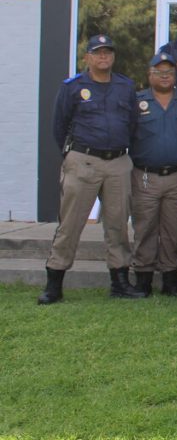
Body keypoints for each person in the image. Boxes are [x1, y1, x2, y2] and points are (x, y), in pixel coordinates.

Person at [39, 34, 144, 304]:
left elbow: (132, 123)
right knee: (71, 224)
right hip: (83, 161)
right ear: (87, 57)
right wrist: (71, 156)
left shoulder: (125, 86)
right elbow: (59, 126)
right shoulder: (73, 86)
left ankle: (120, 281)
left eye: (108, 52)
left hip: (118, 162)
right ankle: (54, 282)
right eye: (98, 53)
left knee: (118, 224)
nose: (103, 57)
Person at [128, 52, 177, 298]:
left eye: (169, 72)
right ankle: (143, 278)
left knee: (174, 228)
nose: (164, 76)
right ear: (149, 75)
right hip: (145, 174)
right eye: (158, 72)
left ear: (175, 75)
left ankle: (170, 278)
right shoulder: (136, 102)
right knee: (145, 226)